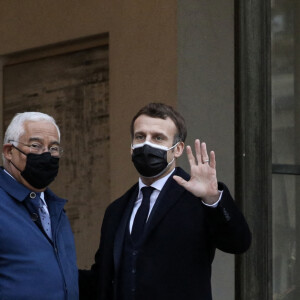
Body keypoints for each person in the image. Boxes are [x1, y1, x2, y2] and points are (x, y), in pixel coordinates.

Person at [79, 102, 251, 300]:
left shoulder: (197, 199)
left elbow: (239, 243)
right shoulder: (116, 210)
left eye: (158, 138)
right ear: (131, 147)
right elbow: (101, 278)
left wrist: (212, 199)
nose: (146, 144)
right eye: (140, 136)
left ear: (177, 149)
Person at [0, 112, 78, 300]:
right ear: (9, 151)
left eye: (53, 148)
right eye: (35, 146)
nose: (46, 154)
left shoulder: (54, 208)